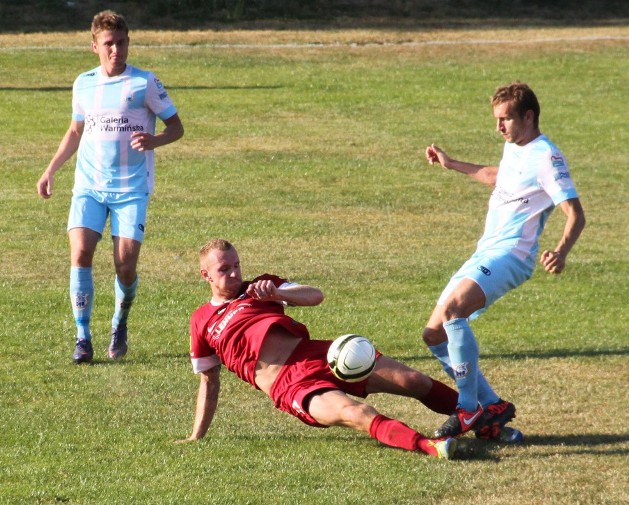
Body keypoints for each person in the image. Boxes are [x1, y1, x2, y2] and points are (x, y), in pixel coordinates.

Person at [179, 238, 461, 459]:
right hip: (289, 385)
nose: (234, 273)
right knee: (357, 413)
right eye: (224, 269)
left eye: (237, 265)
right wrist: (196, 435)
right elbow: (209, 381)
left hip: (320, 355)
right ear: (206, 275)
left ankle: (482, 419)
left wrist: (278, 294)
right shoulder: (202, 320)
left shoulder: (260, 287)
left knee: (413, 380)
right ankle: (429, 446)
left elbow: (315, 295)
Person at [422, 82, 586, 440]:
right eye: (496, 119)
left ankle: (467, 408)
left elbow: (575, 213)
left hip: (513, 254)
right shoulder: (515, 147)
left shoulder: (546, 156)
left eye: (505, 119)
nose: (499, 128)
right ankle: (492, 408)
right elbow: (497, 177)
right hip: (486, 250)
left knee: (454, 311)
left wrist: (560, 250)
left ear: (528, 116)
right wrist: (452, 165)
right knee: (434, 334)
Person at [36, 10, 184, 364]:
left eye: (121, 43)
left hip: (131, 189)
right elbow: (75, 131)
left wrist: (153, 141)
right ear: (94, 47)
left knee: (125, 265)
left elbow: (176, 128)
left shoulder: (144, 83)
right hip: (89, 186)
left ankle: (120, 321)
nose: (116, 50)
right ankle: (82, 337)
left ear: (128, 42)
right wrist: (50, 169)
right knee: (81, 253)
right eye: (108, 44)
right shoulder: (83, 83)